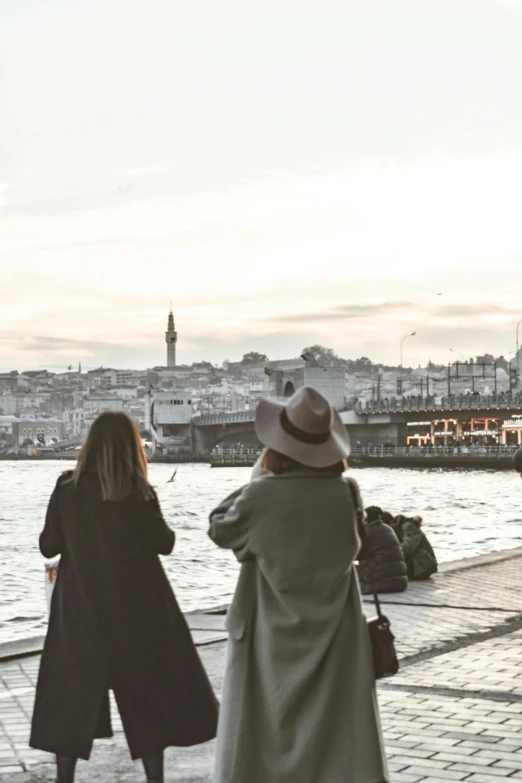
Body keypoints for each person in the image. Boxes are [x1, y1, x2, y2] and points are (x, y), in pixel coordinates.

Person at [208, 387, 389, 783]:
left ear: (278, 445)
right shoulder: (346, 493)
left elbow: (219, 527)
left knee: (263, 730)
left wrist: (258, 478)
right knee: (334, 733)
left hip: (267, 636)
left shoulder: (263, 494)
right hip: (334, 635)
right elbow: (352, 545)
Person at [30, 412, 218, 783]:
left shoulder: (67, 487)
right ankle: (154, 778)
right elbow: (165, 544)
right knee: (144, 693)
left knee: (71, 691)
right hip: (137, 610)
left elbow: (48, 545)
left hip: (80, 606)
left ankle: (64, 777)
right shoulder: (137, 491)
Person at [357, 506, 408, 595]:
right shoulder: (387, 528)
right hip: (398, 581)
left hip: (380, 580)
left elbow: (356, 554)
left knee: (347, 570)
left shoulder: (369, 531)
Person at [393, 514, 438, 580]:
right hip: (420, 563)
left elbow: (408, 547)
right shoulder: (400, 529)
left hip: (425, 566)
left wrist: (391, 549)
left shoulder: (409, 527)